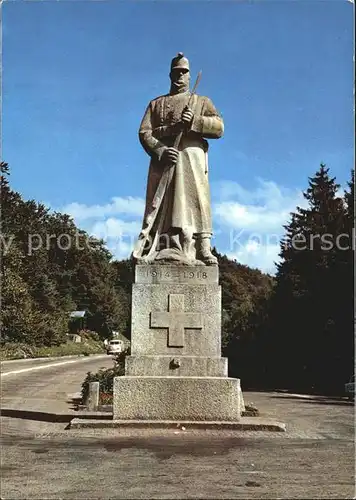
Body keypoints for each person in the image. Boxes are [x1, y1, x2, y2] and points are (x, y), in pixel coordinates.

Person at [132, 52, 224, 265]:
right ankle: (164, 246)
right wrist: (161, 150)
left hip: (192, 159)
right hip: (165, 161)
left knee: (197, 201)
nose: (180, 76)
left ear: (190, 76)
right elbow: (144, 132)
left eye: (184, 72)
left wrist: (195, 121)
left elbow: (219, 127)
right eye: (176, 73)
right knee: (163, 203)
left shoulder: (201, 101)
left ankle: (202, 248)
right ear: (170, 75)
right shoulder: (157, 104)